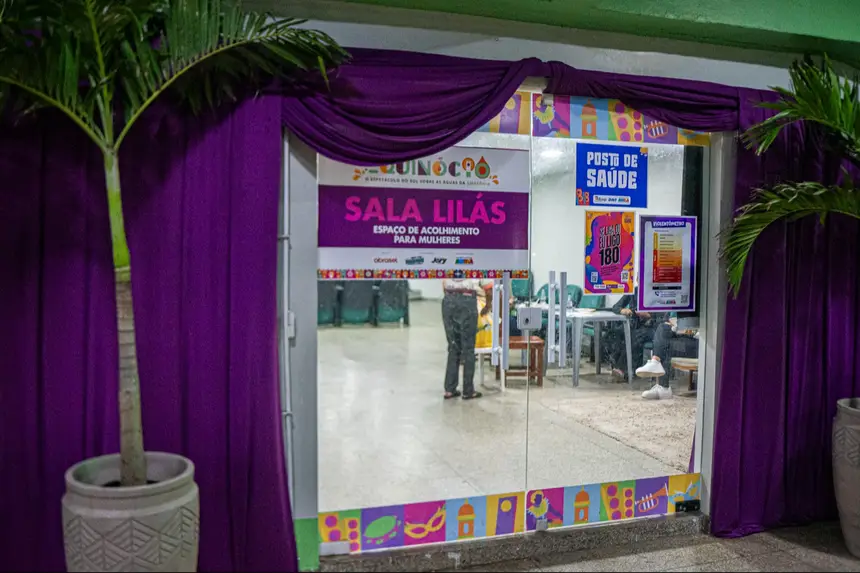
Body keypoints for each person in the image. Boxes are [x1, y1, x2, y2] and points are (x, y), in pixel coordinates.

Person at [607, 289, 673, 399]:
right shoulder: (634, 291)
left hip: (655, 328)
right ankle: (620, 367)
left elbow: (663, 318)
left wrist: (648, 315)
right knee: (617, 333)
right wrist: (623, 310)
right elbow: (615, 307)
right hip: (637, 326)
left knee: (637, 336)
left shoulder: (658, 293)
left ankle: (624, 370)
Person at [441, 278, 488, 400]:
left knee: (453, 346)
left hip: (448, 300)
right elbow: (488, 287)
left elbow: (443, 284)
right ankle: (468, 390)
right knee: (468, 348)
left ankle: (449, 389)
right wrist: (488, 305)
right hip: (467, 301)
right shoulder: (476, 266)